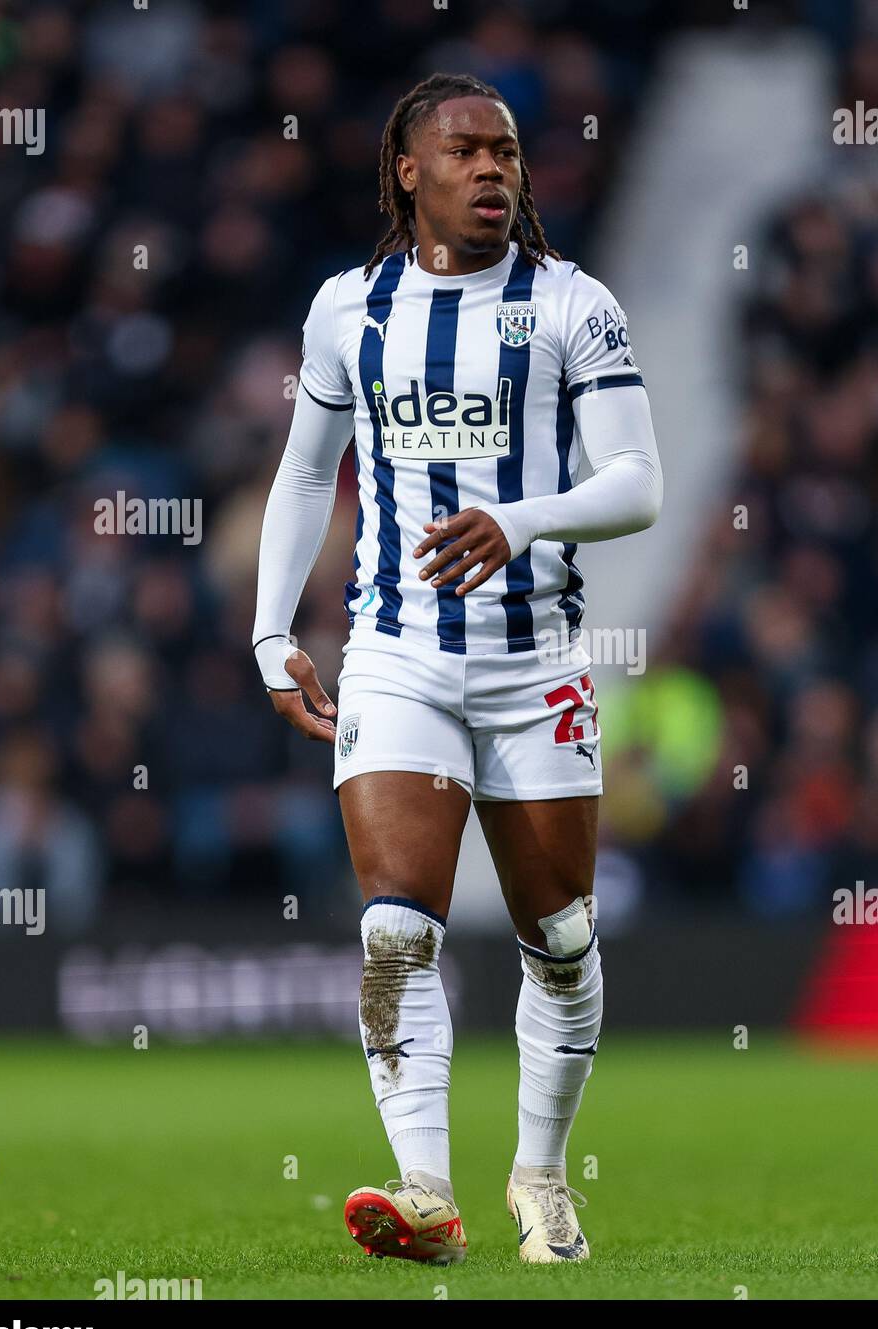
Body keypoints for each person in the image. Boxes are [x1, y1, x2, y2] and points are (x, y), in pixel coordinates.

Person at [252, 72, 662, 1265]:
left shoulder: (575, 304)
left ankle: (542, 1173)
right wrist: (272, 628)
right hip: (396, 661)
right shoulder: (351, 309)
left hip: (537, 667)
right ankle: (424, 1191)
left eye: (508, 152)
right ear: (408, 170)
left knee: (564, 944)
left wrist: (522, 522)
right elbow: (299, 472)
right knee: (394, 936)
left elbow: (639, 484)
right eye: (467, 152)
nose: (494, 171)